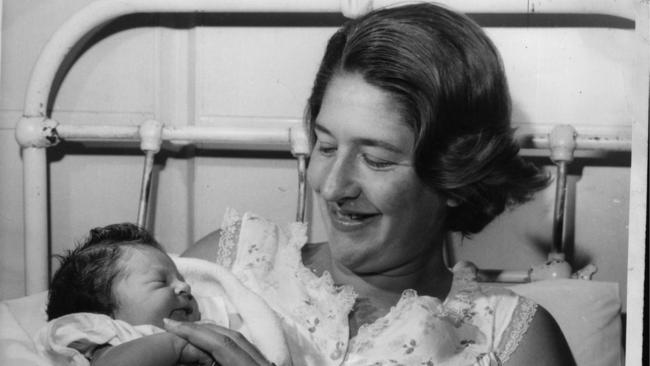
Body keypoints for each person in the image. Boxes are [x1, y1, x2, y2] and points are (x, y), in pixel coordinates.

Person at [175, 2, 576, 365]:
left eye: (376, 160)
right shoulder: (229, 264)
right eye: (327, 146)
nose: (333, 186)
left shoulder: (509, 339)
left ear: (455, 177)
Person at [37, 223, 287, 366]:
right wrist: (176, 345)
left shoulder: (208, 328)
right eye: (160, 281)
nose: (185, 287)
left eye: (182, 279)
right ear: (102, 311)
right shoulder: (114, 336)